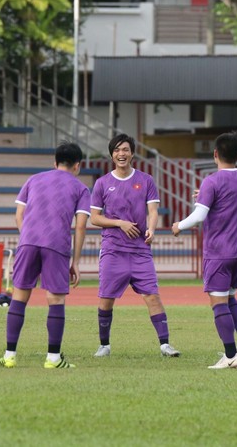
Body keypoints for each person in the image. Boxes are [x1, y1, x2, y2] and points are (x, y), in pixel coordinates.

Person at [0, 142, 90, 369]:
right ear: (78, 165)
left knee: (19, 297)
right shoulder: (81, 188)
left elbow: (19, 215)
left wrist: (29, 236)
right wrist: (76, 262)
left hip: (27, 242)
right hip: (56, 244)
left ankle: (9, 355)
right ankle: (53, 358)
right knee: (55, 299)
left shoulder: (34, 179)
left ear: (55, 162)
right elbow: (80, 226)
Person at [91, 133, 180, 358]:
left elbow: (152, 211)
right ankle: (104, 345)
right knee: (106, 298)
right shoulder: (102, 183)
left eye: (126, 150)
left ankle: (165, 345)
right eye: (117, 150)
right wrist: (119, 223)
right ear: (112, 154)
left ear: (132, 153)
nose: (122, 154)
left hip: (140, 250)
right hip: (113, 249)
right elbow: (94, 218)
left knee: (152, 296)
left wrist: (151, 228)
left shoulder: (146, 180)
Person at [172, 131, 237, 369]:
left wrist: (179, 225)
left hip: (219, 251)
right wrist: (204, 196)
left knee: (218, 303)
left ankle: (230, 356)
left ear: (215, 153)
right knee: (231, 297)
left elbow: (200, 215)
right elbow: (224, 202)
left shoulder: (211, 181)